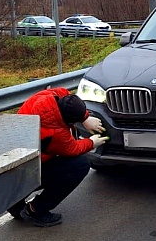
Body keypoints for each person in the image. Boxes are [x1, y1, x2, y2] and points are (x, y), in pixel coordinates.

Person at [7, 87, 108, 227]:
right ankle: (35, 209)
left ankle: (14, 203)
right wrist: (92, 142)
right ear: (68, 121)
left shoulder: (48, 96)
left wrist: (84, 118)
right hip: (31, 168)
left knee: (33, 166)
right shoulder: (54, 133)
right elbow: (73, 149)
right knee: (80, 165)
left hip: (15, 162)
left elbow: (65, 92)